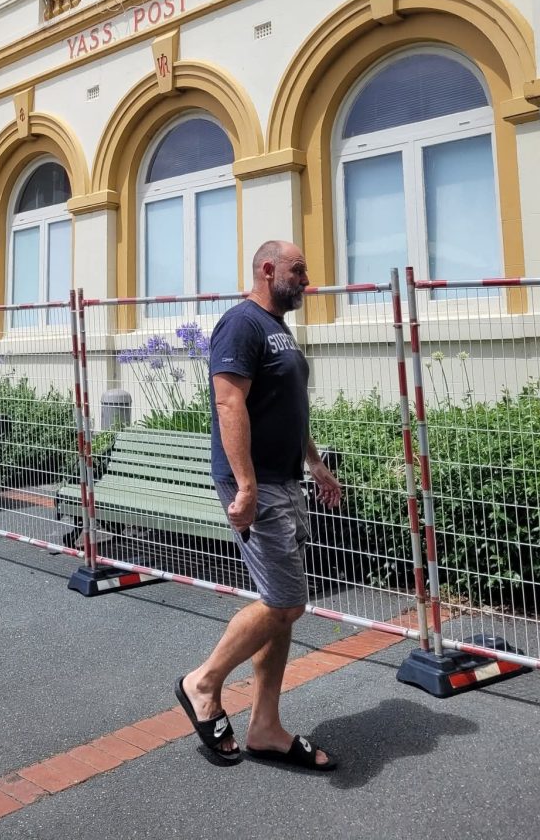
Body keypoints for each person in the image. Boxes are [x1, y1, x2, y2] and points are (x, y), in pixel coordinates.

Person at [174, 240, 342, 770]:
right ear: (268, 270)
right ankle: (202, 682)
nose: (307, 280)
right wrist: (245, 485)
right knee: (286, 603)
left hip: (285, 478)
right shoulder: (241, 324)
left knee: (282, 609)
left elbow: (289, 409)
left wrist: (313, 463)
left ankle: (265, 726)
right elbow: (229, 403)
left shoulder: (278, 330)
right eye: (299, 269)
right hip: (258, 484)